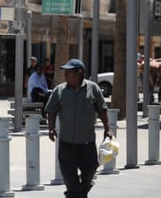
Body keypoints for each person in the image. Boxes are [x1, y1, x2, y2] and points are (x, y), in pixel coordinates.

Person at [44, 58, 112, 198]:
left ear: (79, 73)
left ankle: (82, 189)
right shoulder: (60, 90)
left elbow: (102, 109)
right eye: (65, 72)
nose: (65, 75)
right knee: (70, 180)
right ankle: (75, 193)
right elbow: (51, 111)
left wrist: (107, 128)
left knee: (90, 171)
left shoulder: (93, 88)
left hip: (87, 142)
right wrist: (51, 129)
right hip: (66, 143)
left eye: (69, 72)